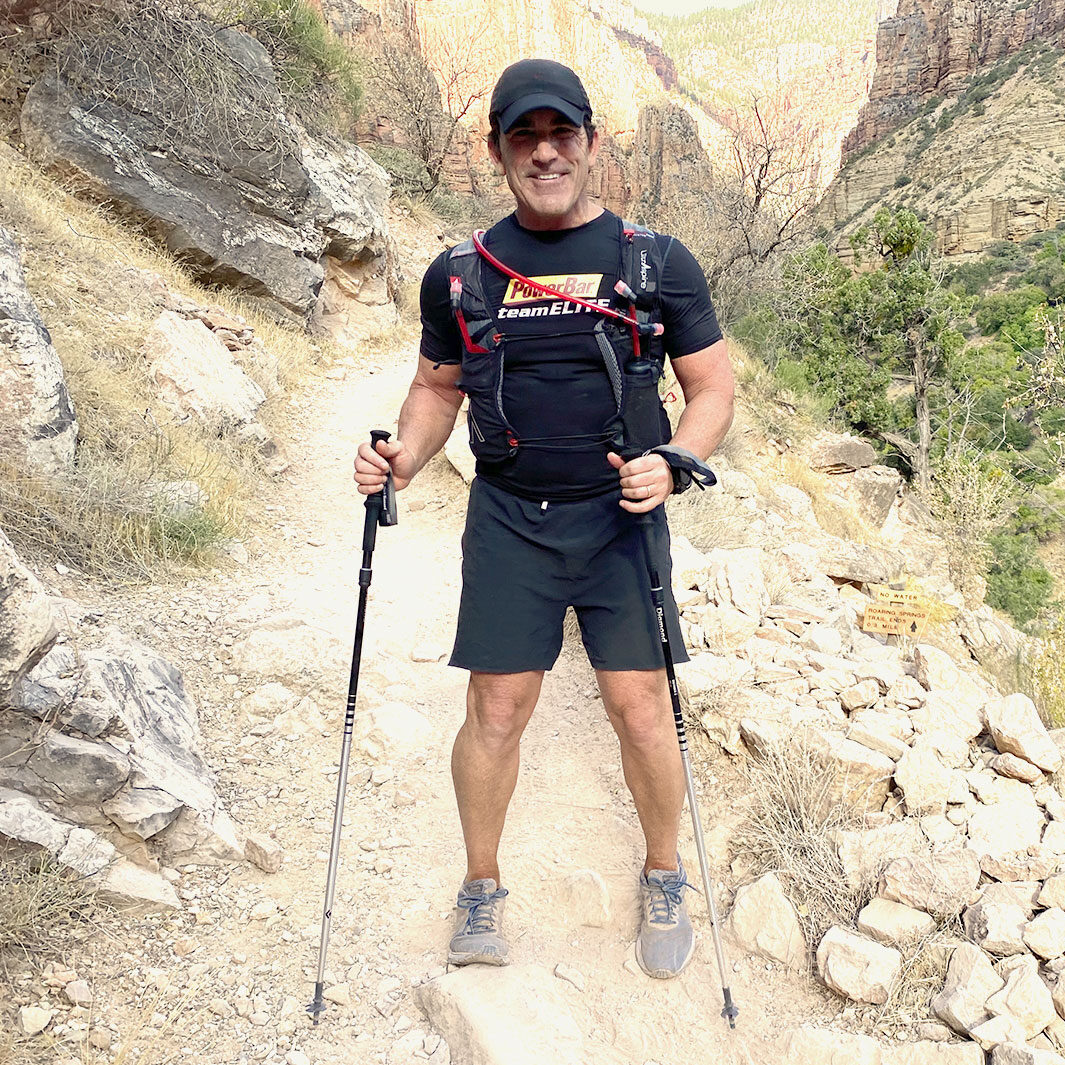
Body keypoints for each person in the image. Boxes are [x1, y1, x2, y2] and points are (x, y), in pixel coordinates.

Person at [354, 58, 734, 979]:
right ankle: (480, 885)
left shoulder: (655, 262)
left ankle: (663, 872)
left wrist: (677, 463)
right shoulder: (459, 273)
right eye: (522, 136)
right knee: (494, 706)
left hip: (620, 520)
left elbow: (712, 386)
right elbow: (435, 387)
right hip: (510, 517)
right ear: (496, 151)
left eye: (560, 132)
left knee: (639, 708)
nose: (544, 151)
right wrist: (404, 451)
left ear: (591, 142)